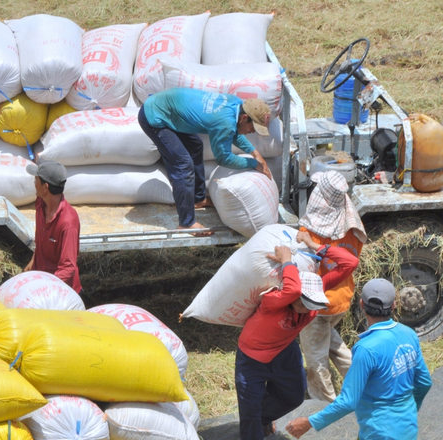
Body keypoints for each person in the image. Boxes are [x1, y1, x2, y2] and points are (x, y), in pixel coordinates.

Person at [235, 231, 359, 439]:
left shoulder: (316, 289)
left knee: (293, 397)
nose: (305, 309)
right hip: (253, 358)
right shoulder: (273, 301)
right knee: (249, 415)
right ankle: (255, 424)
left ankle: (262, 419)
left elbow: (350, 262)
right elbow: (292, 289)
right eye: (301, 302)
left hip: (284, 351)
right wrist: (287, 261)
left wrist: (315, 245)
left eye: (310, 305)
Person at [286, 279, 432, 440]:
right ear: (394, 305)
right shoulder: (409, 334)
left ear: (361, 305)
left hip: (378, 432)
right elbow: (424, 382)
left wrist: (309, 422)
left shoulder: (366, 349)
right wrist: (409, 411)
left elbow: (348, 401)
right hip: (408, 429)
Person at [138, 88, 273, 236]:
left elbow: (233, 132)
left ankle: (198, 198)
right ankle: (186, 223)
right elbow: (224, 158)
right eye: (253, 127)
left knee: (195, 146)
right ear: (244, 117)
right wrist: (254, 164)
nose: (252, 131)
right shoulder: (224, 121)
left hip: (168, 109)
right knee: (183, 164)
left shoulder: (235, 104)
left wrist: (254, 153)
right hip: (154, 116)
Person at [298, 170, 367, 402]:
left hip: (317, 304)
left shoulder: (311, 232)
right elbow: (350, 260)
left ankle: (324, 403)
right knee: (333, 345)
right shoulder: (355, 229)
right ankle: (362, 383)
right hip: (341, 301)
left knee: (316, 359)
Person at [23, 161, 82, 293]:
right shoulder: (40, 203)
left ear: (45, 187)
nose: (34, 183)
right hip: (40, 279)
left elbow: (68, 268)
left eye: (36, 180)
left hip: (59, 290)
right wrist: (33, 261)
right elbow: (41, 241)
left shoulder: (68, 223)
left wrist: (44, 287)